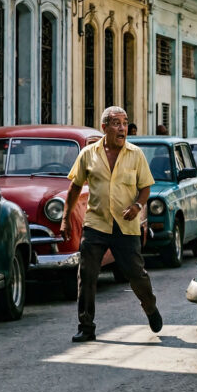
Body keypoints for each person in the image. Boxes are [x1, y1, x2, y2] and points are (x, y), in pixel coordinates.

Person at [62, 106, 162, 342]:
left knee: (136, 275)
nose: (122, 128)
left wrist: (138, 206)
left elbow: (145, 186)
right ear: (104, 127)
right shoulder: (88, 154)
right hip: (96, 223)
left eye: (125, 123)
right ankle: (86, 326)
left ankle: (150, 307)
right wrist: (66, 219)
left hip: (125, 226)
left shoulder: (135, 154)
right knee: (86, 275)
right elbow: (75, 186)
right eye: (116, 123)